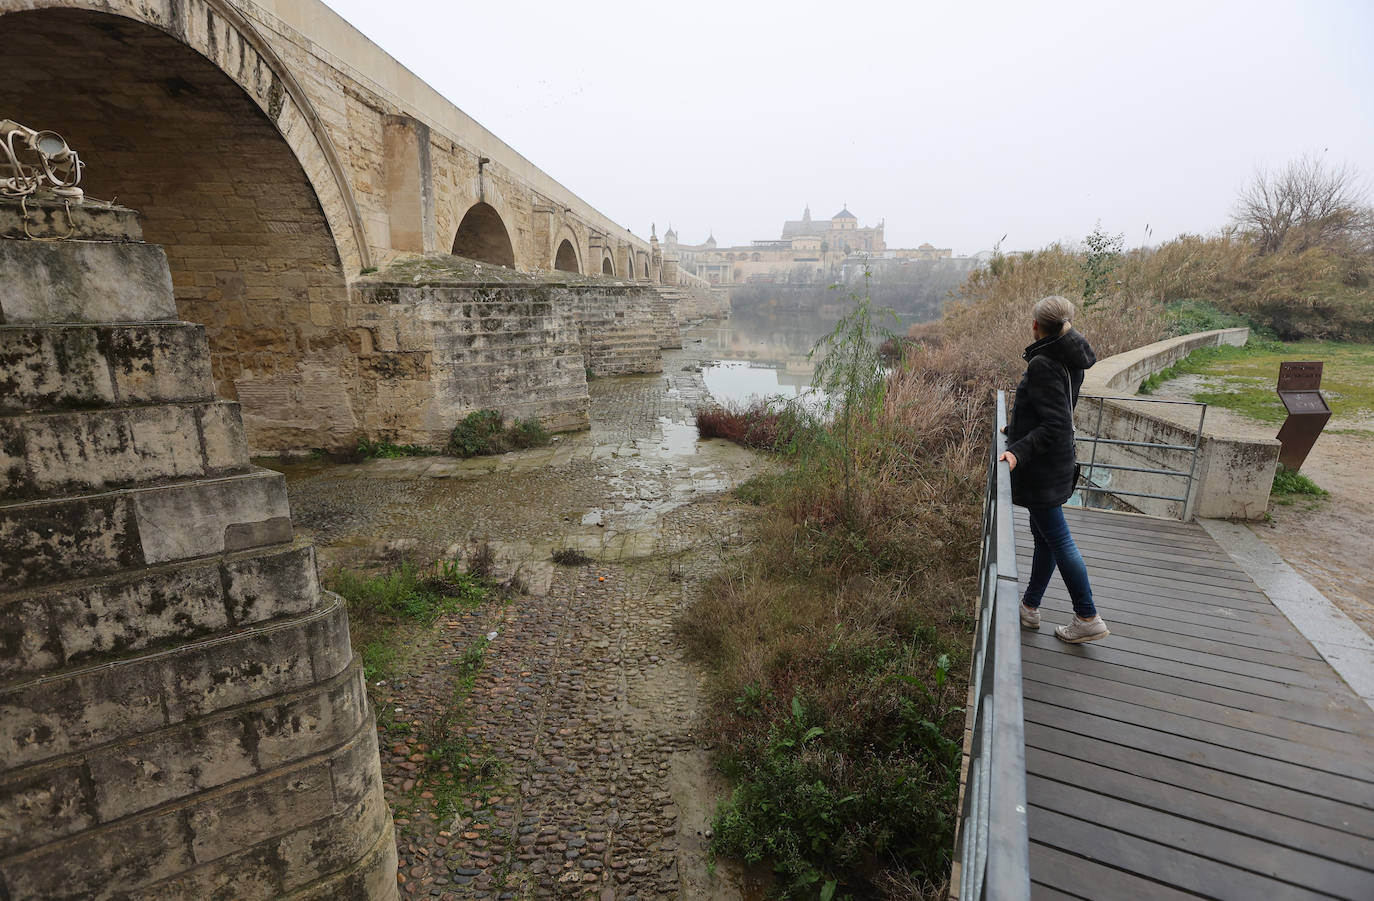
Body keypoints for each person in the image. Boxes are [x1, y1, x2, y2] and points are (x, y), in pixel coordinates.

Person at [998, 295, 1108, 643]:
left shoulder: (1043, 363)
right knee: (1045, 537)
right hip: (1056, 462)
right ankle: (1030, 607)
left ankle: (1087, 615)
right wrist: (1015, 428)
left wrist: (1017, 451)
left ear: (1035, 326)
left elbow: (1056, 423)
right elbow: (1050, 409)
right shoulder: (1067, 356)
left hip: (1043, 467)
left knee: (1058, 538)